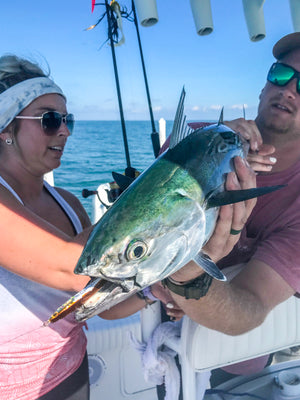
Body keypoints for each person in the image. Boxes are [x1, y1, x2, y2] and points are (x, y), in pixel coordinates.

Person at [0, 54, 257, 399]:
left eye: (67, 119)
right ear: (5, 127)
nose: (64, 130)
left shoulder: (69, 204)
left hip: (69, 374)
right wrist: (166, 195)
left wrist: (157, 290)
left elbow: (97, 298)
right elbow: (74, 269)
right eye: (49, 120)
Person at [155, 32, 300, 386]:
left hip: (233, 360)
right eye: (281, 75)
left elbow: (249, 305)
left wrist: (184, 280)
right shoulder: (206, 136)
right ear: (264, 88)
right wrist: (215, 143)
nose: (289, 90)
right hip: (165, 342)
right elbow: (163, 160)